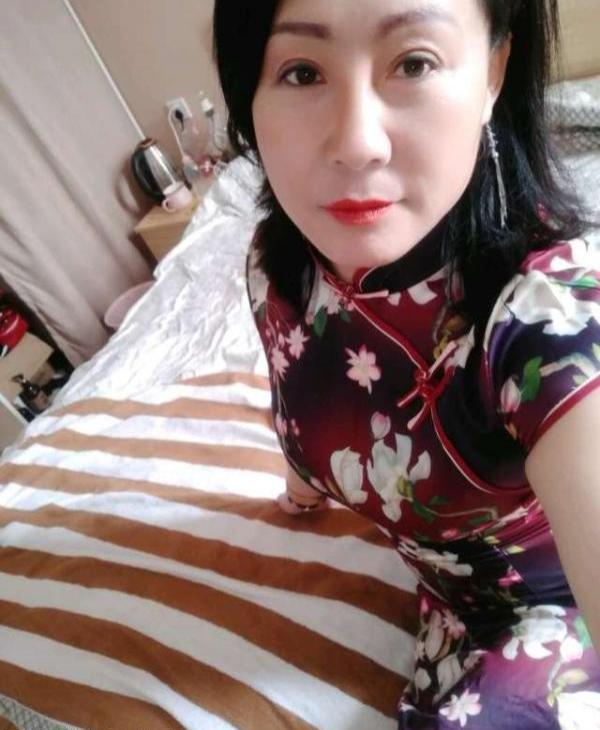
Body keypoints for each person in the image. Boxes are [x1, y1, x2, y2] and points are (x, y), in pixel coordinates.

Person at [213, 0, 600, 727]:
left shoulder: (549, 318)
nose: (356, 144)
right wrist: (300, 486)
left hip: (556, 623)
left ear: (493, 73)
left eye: (414, 63)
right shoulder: (278, 268)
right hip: (443, 607)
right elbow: (301, 395)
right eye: (302, 72)